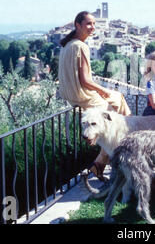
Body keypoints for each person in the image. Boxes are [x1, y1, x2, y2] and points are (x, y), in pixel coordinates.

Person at [58, 11, 131, 181]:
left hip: (71, 96)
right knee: (119, 111)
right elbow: (85, 80)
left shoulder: (66, 45)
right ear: (78, 25)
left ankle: (100, 164)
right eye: (89, 24)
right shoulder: (81, 46)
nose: (93, 28)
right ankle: (127, 144)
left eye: (94, 24)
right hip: (83, 95)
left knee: (117, 105)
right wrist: (103, 91)